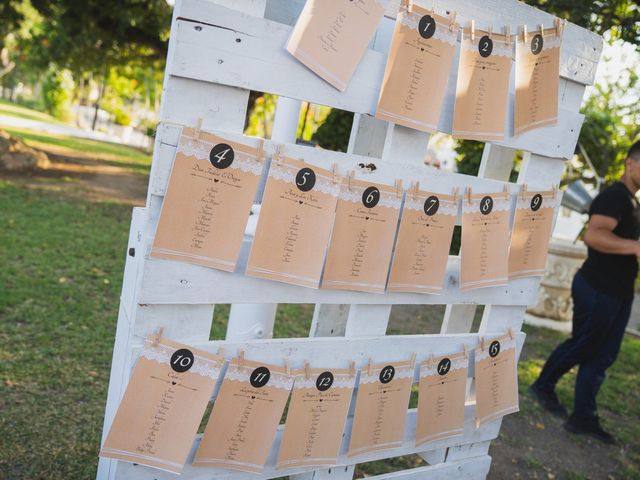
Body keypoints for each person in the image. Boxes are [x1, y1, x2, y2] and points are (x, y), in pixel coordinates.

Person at [529, 140, 640, 444]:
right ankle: (543, 386)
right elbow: (594, 236)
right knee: (583, 345)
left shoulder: (632, 201)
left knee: (602, 356)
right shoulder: (614, 196)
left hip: (618, 292)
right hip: (597, 288)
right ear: (630, 163)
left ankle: (583, 417)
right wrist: (635, 246)